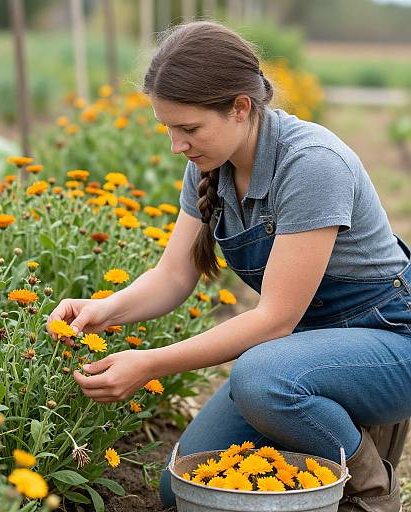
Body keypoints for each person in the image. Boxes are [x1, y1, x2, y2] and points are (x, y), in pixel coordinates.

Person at [47, 21, 410, 511]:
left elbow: (275, 319)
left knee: (261, 378)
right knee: (183, 487)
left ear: (241, 107)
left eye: (189, 128)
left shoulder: (312, 164)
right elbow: (173, 275)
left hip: (389, 339)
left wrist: (149, 364)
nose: (177, 144)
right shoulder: (207, 163)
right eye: (168, 128)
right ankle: (319, 421)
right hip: (306, 347)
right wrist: (104, 309)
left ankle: (370, 490)